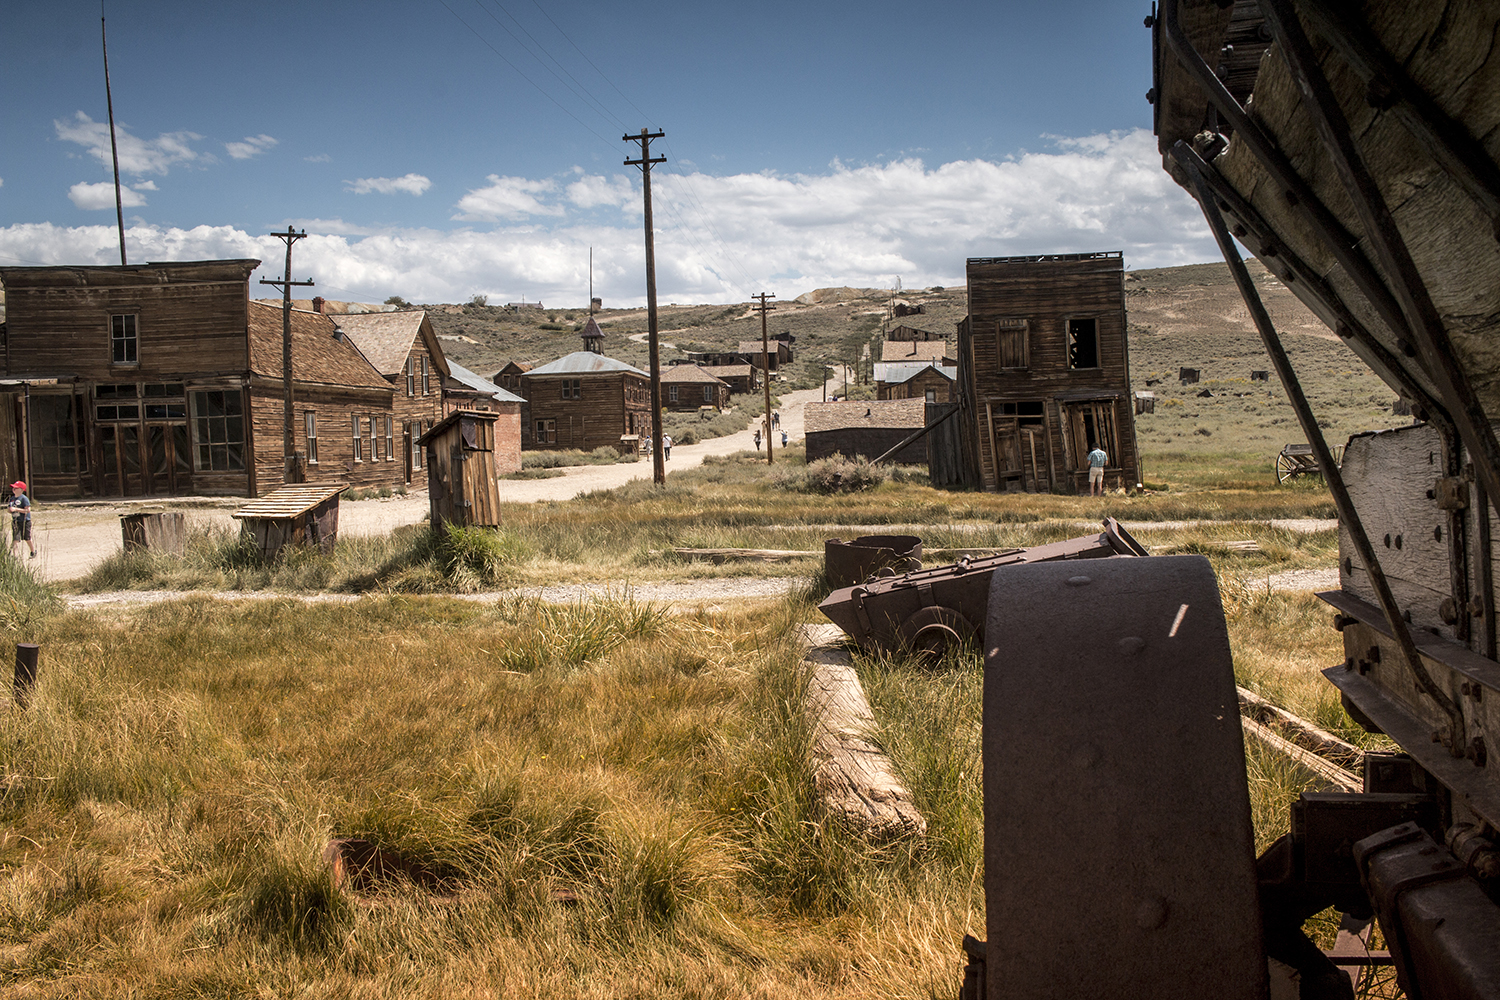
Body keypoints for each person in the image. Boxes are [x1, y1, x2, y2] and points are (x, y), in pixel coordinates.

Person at [8, 481, 35, 559]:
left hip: (25, 521)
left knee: (27, 538)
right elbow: (9, 508)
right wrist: (10, 510)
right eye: (13, 488)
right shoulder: (12, 499)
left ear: (21, 490)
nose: (14, 489)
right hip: (15, 521)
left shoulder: (24, 498)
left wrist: (16, 509)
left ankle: (33, 551)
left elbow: (28, 510)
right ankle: (15, 555)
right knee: (15, 538)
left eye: (16, 488)